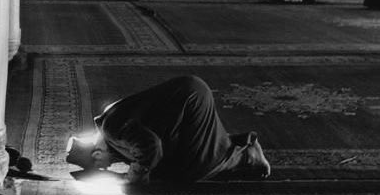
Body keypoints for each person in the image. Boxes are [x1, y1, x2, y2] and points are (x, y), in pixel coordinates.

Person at [66, 75, 271, 185]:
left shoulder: (112, 130)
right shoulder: (109, 127)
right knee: (170, 166)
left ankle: (248, 154)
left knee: (194, 169)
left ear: (96, 154)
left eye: (100, 166)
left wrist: (133, 178)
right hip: (189, 96)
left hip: (191, 101)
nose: (107, 166)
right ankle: (237, 147)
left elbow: (151, 147)